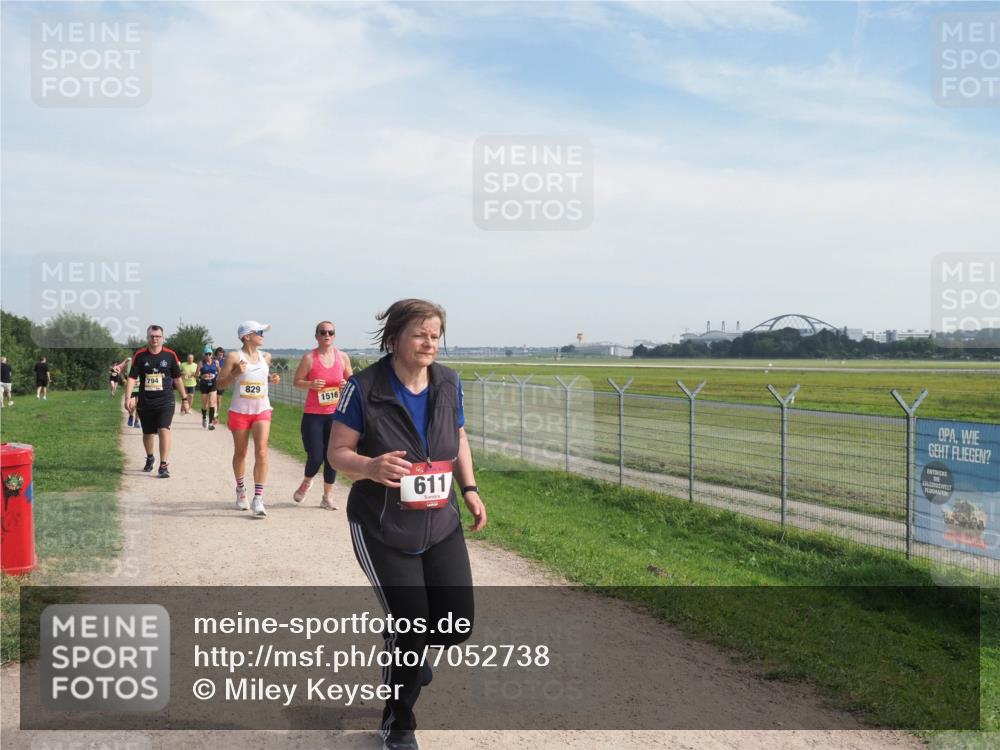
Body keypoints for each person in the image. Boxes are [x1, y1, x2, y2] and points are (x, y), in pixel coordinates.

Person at [328, 299, 486, 750]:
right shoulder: (364, 388)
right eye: (420, 333)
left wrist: (470, 489)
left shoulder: (448, 382)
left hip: (440, 520)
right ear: (394, 338)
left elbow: (457, 437)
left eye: (435, 334)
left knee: (455, 625)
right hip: (382, 526)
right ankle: (398, 724)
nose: (430, 341)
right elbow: (336, 453)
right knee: (413, 626)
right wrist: (370, 466)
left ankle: (404, 648)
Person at [216, 321, 280, 517]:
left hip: (262, 409)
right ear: (246, 336)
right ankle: (241, 489)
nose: (262, 335)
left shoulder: (266, 357)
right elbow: (220, 384)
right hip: (240, 411)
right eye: (259, 332)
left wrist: (271, 379)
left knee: (261, 451)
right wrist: (235, 373)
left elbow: (258, 379)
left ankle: (258, 498)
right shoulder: (235, 356)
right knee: (241, 453)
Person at [292, 321, 353, 509]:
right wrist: (310, 385)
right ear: (317, 335)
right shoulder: (310, 358)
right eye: (323, 332)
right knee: (316, 456)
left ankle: (327, 496)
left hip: (335, 415)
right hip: (314, 415)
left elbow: (352, 380)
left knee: (332, 457)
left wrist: (345, 384)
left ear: (334, 336)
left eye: (331, 332)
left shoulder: (342, 357)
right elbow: (297, 381)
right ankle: (307, 481)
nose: (327, 335)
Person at [126, 325, 186, 478]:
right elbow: (132, 377)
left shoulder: (170, 355)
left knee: (164, 429)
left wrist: (184, 399)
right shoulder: (140, 356)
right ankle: (150, 457)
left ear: (162, 338)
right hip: (146, 401)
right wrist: (128, 397)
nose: (154, 339)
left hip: (165, 400)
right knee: (147, 433)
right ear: (147, 338)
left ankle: (163, 465)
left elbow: (177, 378)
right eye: (152, 336)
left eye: (157, 336)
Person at [196, 347, 219, 430]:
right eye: (206, 354)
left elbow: (220, 372)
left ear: (212, 354)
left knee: (212, 402)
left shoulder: (215, 362)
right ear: (204, 355)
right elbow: (196, 375)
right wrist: (201, 374)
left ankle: (210, 423)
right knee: (204, 404)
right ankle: (204, 418)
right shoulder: (201, 363)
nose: (208, 356)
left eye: (210, 354)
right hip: (204, 384)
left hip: (213, 383)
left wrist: (218, 368)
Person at [213, 346, 227, 425]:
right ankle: (213, 416)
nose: (220, 356)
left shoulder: (224, 362)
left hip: (221, 382)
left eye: (221, 355)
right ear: (216, 355)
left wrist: (218, 366)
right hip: (212, 382)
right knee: (212, 400)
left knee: (218, 399)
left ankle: (216, 416)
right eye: (218, 354)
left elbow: (223, 373)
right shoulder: (212, 361)